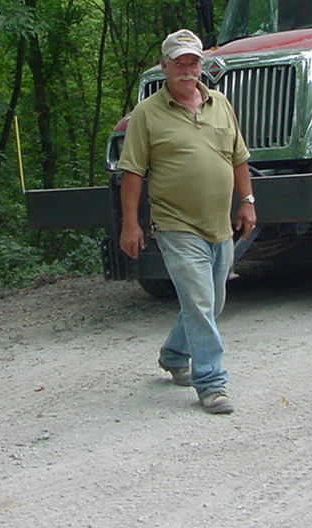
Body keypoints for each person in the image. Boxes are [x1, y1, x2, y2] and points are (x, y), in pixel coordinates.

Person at [117, 29, 256, 415]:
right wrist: (131, 225)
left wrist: (247, 202)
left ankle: (175, 354)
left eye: (192, 62)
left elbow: (238, 158)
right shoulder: (146, 114)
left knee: (211, 302)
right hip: (176, 224)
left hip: (220, 223)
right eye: (178, 62)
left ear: (201, 66)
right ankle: (211, 382)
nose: (186, 69)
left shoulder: (221, 104)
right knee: (198, 300)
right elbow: (132, 173)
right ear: (164, 67)